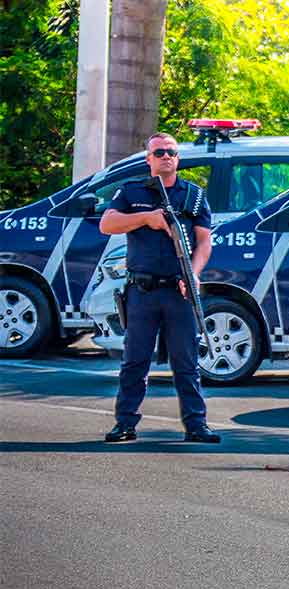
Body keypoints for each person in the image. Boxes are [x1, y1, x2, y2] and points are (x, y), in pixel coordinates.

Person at [99, 132, 220, 444]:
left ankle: (196, 426)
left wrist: (193, 273)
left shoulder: (193, 196)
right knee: (135, 361)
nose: (166, 156)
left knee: (187, 361)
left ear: (177, 159)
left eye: (171, 152)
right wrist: (147, 218)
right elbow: (107, 224)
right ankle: (125, 424)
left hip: (179, 290)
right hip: (143, 290)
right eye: (160, 152)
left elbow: (204, 242)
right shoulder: (132, 191)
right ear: (148, 159)